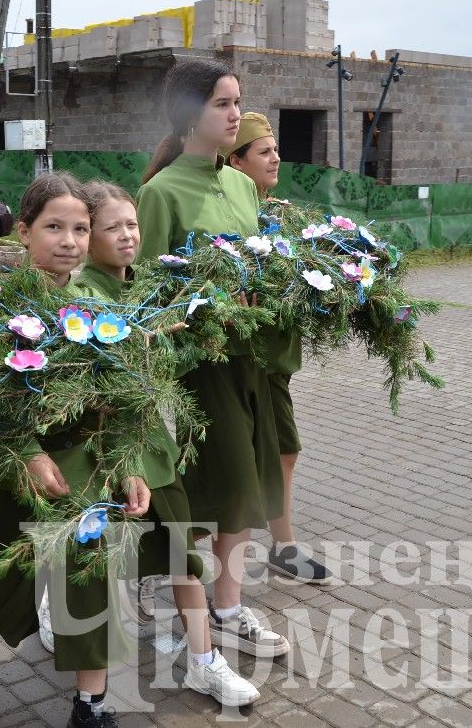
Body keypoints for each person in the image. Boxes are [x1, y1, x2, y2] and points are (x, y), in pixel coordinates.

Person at [73, 180, 260, 707]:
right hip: (106, 454)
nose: (128, 235)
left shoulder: (148, 287)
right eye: (112, 227)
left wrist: (200, 331)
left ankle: (204, 663)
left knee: (183, 558)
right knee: (101, 568)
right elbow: (109, 377)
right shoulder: (81, 296)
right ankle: (86, 674)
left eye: (132, 224)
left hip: (154, 449)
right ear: (88, 237)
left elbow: (167, 369)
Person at [136, 59, 291, 659]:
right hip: (199, 366)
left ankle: (225, 605)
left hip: (251, 357)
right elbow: (147, 295)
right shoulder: (161, 193)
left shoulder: (240, 186)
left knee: (246, 487)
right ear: (188, 115)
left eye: (237, 102)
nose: (236, 115)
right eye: (223, 104)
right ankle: (185, 596)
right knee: (215, 486)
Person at [221, 113, 333, 584]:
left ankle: (282, 547)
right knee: (258, 460)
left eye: (275, 149)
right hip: (247, 360)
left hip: (276, 360)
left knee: (281, 453)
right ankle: (175, 560)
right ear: (236, 161)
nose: (276, 158)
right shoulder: (232, 222)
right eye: (263, 151)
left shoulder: (281, 216)